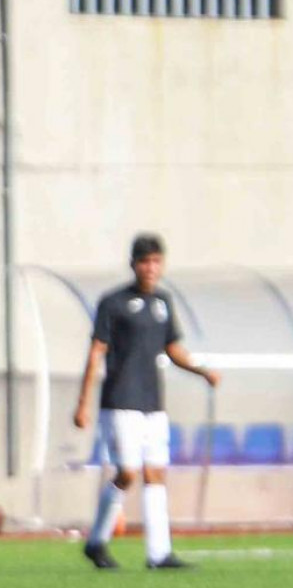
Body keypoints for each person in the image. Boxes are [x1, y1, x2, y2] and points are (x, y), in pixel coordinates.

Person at [73, 234, 218, 570]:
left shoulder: (163, 303)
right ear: (133, 264)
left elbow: (173, 349)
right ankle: (97, 541)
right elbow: (96, 351)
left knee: (155, 473)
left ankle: (159, 554)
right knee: (127, 472)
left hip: (153, 404)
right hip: (121, 401)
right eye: (144, 261)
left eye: (156, 262)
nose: (150, 268)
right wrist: (83, 402)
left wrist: (201, 371)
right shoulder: (113, 303)